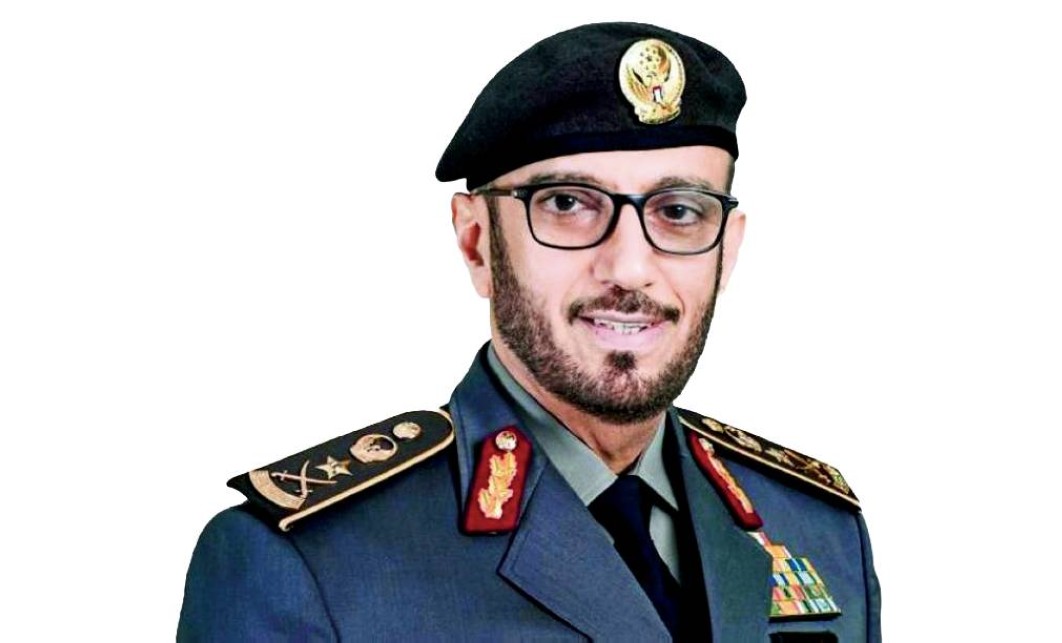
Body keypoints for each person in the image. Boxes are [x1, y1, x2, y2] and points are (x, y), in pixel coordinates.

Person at [178, 21, 881, 642]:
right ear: (478, 242)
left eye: (678, 211)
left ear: (727, 248)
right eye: (568, 204)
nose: (630, 268)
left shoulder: (817, 530)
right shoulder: (308, 565)